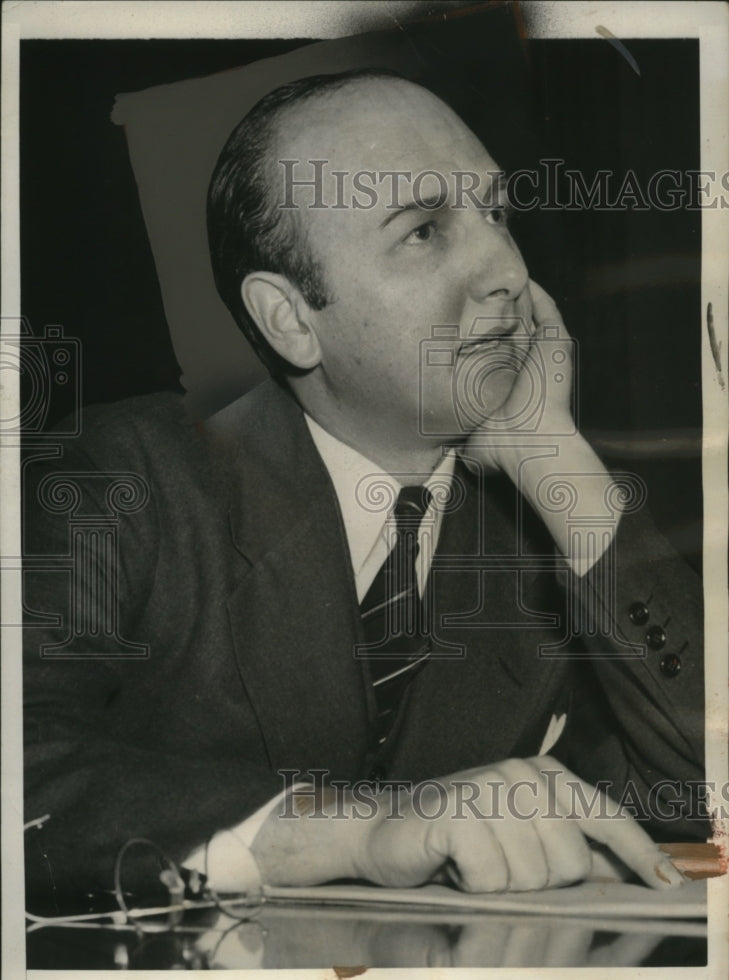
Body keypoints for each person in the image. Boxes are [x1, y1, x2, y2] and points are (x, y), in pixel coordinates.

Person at [23, 69, 705, 903]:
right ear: (291, 319)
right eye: (423, 230)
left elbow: (699, 791)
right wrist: (363, 829)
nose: (504, 268)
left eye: (495, 211)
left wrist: (553, 457)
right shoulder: (120, 480)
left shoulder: (542, 528)